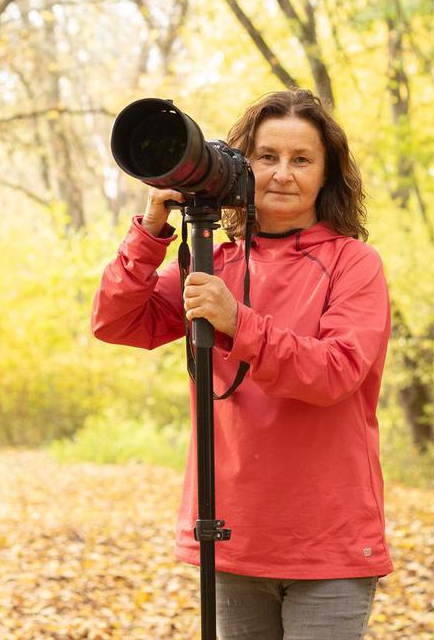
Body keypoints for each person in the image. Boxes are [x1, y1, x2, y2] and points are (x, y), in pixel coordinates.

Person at [91, 89, 394, 639]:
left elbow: (335, 373)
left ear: (327, 176)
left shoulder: (355, 264)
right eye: (266, 157)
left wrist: (239, 322)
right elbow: (117, 322)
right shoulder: (214, 263)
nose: (282, 174)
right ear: (240, 166)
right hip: (232, 535)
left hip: (328, 541)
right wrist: (151, 232)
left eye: (301, 159)